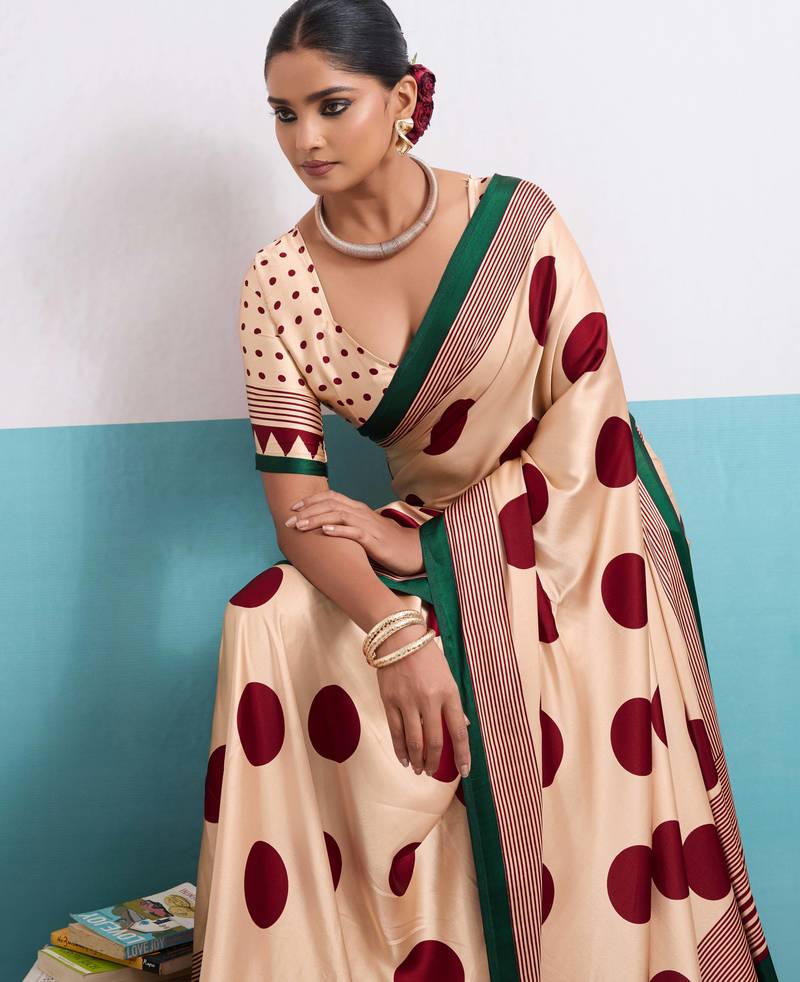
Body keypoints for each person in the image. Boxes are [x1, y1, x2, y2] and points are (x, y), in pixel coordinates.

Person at [191, 2, 779, 980]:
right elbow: (298, 511)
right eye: (283, 114)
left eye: (332, 105)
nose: (305, 140)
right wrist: (396, 627)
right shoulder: (277, 281)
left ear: (404, 98)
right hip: (431, 534)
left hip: (587, 523)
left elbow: (591, 426)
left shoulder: (516, 224)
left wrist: (428, 545)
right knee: (262, 617)